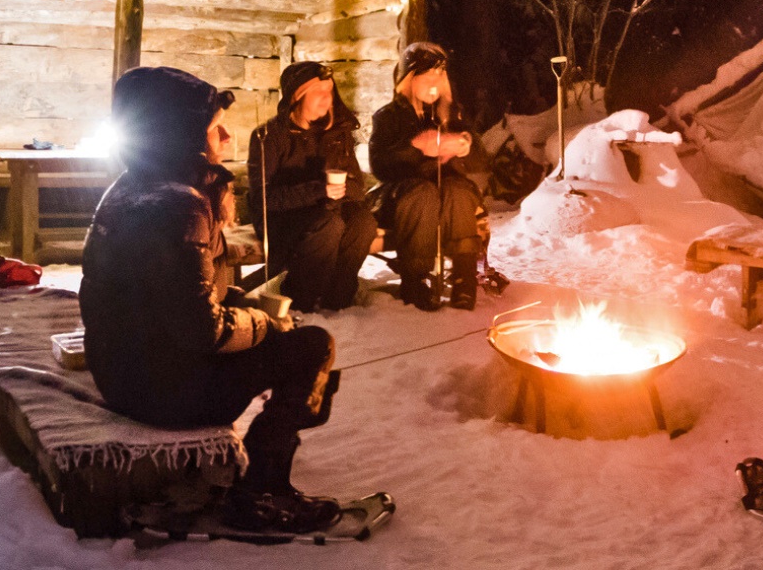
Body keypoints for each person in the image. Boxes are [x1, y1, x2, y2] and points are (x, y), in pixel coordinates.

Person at [79, 66, 341, 533]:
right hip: (165, 392)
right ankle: (261, 486)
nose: (225, 133)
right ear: (180, 134)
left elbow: (178, 294)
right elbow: (205, 329)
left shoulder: (133, 187)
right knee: (313, 346)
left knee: (291, 336)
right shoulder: (180, 206)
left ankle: (264, 476)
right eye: (212, 124)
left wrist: (247, 304)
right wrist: (265, 325)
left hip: (125, 374)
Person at [246, 62, 378, 313]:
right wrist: (319, 189)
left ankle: (338, 296)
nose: (326, 99)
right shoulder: (269, 136)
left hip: (329, 209)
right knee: (330, 225)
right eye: (318, 92)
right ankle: (300, 299)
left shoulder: (337, 133)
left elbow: (356, 187)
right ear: (297, 96)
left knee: (363, 222)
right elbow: (264, 199)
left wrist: (342, 189)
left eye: (329, 91)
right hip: (281, 218)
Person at [369, 42, 484, 312]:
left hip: (447, 195)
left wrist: (465, 144)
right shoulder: (388, 116)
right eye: (426, 75)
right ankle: (415, 280)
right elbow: (379, 164)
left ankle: (464, 281)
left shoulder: (452, 114)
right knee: (423, 194)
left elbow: (479, 158)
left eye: (439, 75)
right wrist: (415, 147)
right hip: (403, 196)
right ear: (409, 79)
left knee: (459, 192)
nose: (434, 82)